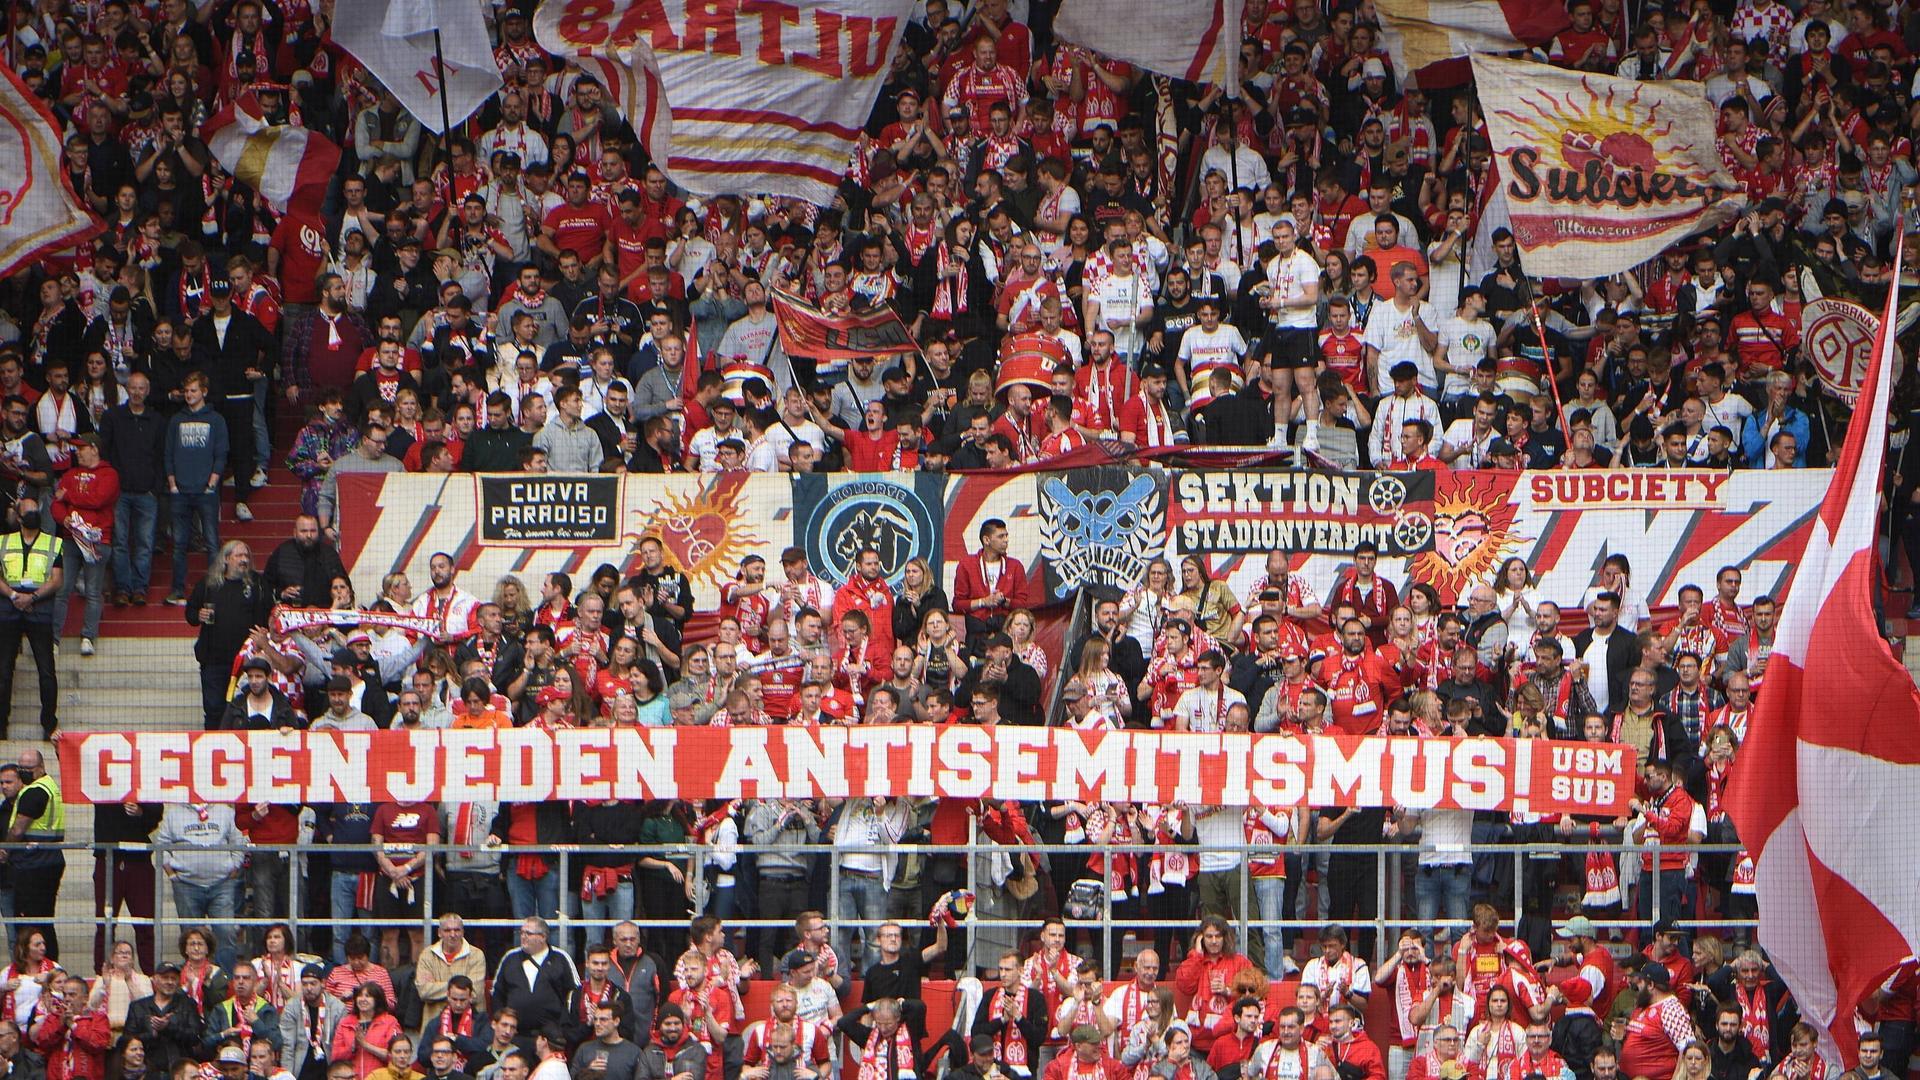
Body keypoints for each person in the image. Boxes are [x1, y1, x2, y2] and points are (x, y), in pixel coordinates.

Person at [0, 496, 62, 739]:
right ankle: (1, 723)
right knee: (3, 670)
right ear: (17, 516)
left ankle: (49, 723)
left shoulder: (53, 543)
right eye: (28, 510)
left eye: (35, 510)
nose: (32, 514)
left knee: (46, 670)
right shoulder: (4, 542)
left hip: (40, 608)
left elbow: (57, 580)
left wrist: (32, 598)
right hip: (8, 608)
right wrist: (15, 595)